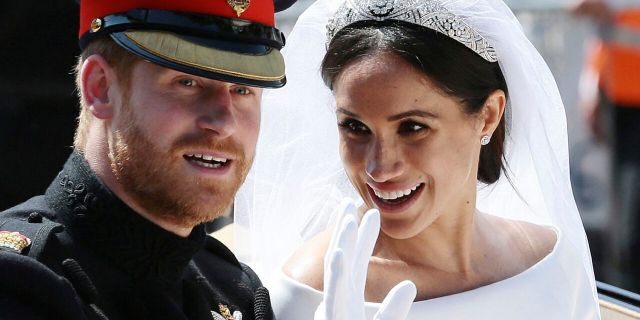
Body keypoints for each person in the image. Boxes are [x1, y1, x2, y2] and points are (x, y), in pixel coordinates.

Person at [234, 0, 602, 318]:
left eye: (412, 127)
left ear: (488, 115)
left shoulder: (553, 266)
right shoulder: (311, 293)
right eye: (355, 127)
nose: (379, 167)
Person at [0, 0, 296, 318]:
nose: (224, 123)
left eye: (242, 90)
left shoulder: (235, 290)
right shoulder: (18, 283)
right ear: (100, 87)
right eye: (188, 82)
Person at [572, 0, 640, 292]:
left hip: (626, 99)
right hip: (623, 99)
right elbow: (597, 26)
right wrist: (591, 86)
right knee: (627, 211)